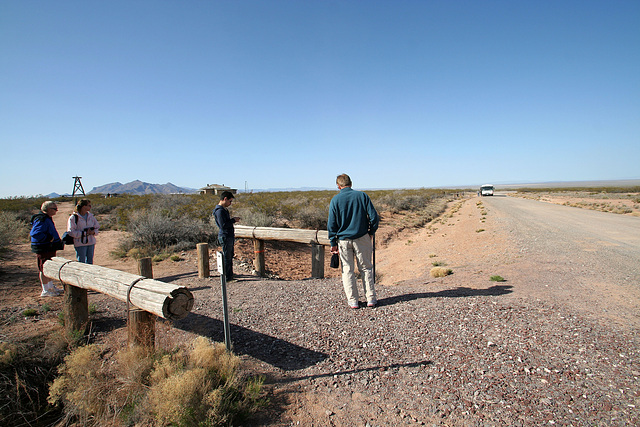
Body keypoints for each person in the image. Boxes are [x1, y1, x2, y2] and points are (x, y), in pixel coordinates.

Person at [328, 174, 380, 309]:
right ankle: (371, 299)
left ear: (338, 186)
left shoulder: (335, 200)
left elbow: (331, 224)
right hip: (362, 238)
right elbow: (374, 217)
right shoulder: (362, 196)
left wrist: (333, 243)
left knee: (347, 270)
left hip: (344, 240)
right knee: (366, 268)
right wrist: (370, 232)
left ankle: (353, 301)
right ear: (351, 183)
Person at [30, 201, 64, 297]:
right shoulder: (42, 219)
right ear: (48, 209)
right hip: (43, 247)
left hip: (48, 247)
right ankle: (45, 290)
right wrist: (48, 238)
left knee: (48, 267)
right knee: (43, 268)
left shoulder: (46, 218)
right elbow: (35, 233)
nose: (56, 211)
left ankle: (50, 287)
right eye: (55, 209)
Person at [213, 191, 241, 282]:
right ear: (225, 199)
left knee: (229, 256)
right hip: (225, 236)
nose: (230, 203)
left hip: (228, 236)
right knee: (227, 257)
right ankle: (227, 278)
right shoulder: (220, 211)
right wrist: (233, 220)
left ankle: (229, 274)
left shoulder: (223, 210)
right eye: (230, 201)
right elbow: (223, 225)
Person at [67, 199, 99, 264]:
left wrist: (93, 232)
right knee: (81, 262)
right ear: (84, 206)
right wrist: (84, 233)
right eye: (89, 205)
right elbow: (71, 231)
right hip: (80, 243)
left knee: (90, 261)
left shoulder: (91, 216)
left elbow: (97, 227)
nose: (90, 207)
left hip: (91, 242)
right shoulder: (74, 217)